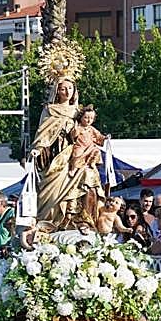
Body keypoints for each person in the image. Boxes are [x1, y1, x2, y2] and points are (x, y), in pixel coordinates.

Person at [30, 76, 104, 229]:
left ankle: (77, 219)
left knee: (87, 180)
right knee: (52, 191)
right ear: (57, 91)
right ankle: (49, 221)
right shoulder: (50, 110)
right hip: (55, 155)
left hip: (74, 153)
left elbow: (88, 130)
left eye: (70, 88)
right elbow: (42, 132)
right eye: (63, 89)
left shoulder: (77, 112)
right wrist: (38, 148)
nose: (67, 92)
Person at [69, 105, 105, 176]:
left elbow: (98, 135)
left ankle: (92, 162)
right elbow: (73, 135)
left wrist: (104, 138)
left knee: (97, 151)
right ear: (81, 118)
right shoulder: (79, 127)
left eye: (91, 118)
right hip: (80, 146)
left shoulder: (91, 128)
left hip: (90, 146)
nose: (89, 120)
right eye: (86, 117)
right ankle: (74, 168)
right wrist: (75, 130)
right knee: (77, 154)